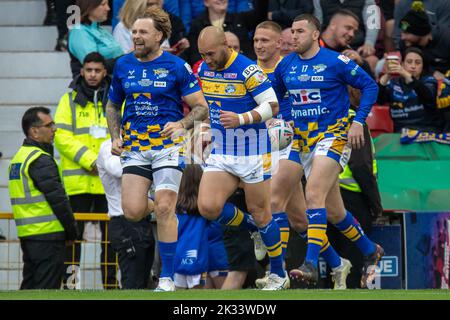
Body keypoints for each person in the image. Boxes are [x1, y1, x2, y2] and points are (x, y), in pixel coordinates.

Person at [271, 14, 383, 289]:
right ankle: (369, 250)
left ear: (314, 34)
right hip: (300, 139)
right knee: (327, 210)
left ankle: (309, 264)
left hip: (332, 136)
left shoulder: (336, 61)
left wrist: (358, 121)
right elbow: (276, 94)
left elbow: (369, 86)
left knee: (313, 194)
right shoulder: (286, 65)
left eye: (299, 31)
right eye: (292, 32)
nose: (293, 37)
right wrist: (285, 119)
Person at [105, 6, 209, 292]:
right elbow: (112, 104)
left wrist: (182, 124)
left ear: (159, 36)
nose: (136, 37)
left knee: (164, 208)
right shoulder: (123, 65)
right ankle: (165, 206)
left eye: (142, 32)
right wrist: (116, 136)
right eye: (134, 32)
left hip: (168, 146)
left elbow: (201, 107)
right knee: (133, 211)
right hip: (136, 147)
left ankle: (167, 277)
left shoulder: (177, 66)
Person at [253, 20, 352, 290]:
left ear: (279, 45)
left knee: (276, 201)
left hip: (290, 142)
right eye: (256, 40)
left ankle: (278, 271)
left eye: (265, 40)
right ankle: (336, 263)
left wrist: (280, 121)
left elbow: (293, 104)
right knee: (298, 219)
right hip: (260, 144)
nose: (259, 46)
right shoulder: (249, 71)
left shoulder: (290, 66)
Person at [196, 25, 289, 291]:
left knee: (263, 213)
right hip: (222, 150)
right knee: (208, 207)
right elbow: (211, 107)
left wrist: (241, 119)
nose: (207, 60)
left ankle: (279, 274)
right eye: (202, 54)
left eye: (211, 54)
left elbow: (272, 106)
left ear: (225, 44)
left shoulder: (248, 70)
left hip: (253, 150)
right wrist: (204, 130)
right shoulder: (204, 69)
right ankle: (252, 227)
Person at [54, 52, 116, 289]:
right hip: (77, 183)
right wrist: (90, 160)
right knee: (72, 239)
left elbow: (122, 134)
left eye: (97, 70)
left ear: (104, 72)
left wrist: (101, 164)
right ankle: (71, 286)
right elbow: (61, 137)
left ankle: (111, 287)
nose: (92, 74)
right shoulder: (68, 100)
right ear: (81, 72)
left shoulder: (115, 99)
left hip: (107, 183)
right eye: (88, 70)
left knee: (111, 240)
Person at [8, 107, 78, 289]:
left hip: (29, 235)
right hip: (48, 236)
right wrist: (72, 232)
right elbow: (58, 200)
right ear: (34, 131)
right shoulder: (40, 159)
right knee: (46, 290)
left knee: (30, 287)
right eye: (49, 125)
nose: (54, 128)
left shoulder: (19, 158)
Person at [97, 139, 155, 289]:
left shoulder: (141, 143)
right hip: (124, 222)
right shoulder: (108, 145)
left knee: (144, 283)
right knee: (132, 284)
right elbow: (116, 169)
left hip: (143, 219)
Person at [378, 47, 442, 133]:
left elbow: (428, 97)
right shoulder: (394, 83)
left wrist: (406, 74)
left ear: (422, 66)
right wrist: (386, 76)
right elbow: (380, 100)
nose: (413, 66)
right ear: (403, 64)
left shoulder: (429, 80)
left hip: (426, 131)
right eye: (409, 62)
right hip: (400, 133)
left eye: (418, 63)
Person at [185, 0, 269, 65]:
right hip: (214, 71)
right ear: (206, 2)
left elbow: (260, 14)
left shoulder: (239, 19)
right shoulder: (197, 25)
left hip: (244, 67)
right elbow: (195, 55)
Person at [313, 0, 379, 72]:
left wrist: (369, 43)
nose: (351, 33)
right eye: (348, 28)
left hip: (357, 47)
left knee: (370, 61)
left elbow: (373, 24)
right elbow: (317, 23)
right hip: (327, 43)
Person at [68, 0, 124, 78]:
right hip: (95, 89)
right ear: (89, 7)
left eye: (107, 4)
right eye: (103, 4)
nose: (108, 8)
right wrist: (126, 59)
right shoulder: (79, 31)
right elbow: (93, 65)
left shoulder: (101, 30)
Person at [320, 9, 375, 76]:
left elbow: (370, 85)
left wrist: (361, 64)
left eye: (354, 31)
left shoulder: (348, 53)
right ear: (333, 25)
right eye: (348, 28)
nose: (352, 34)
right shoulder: (311, 45)